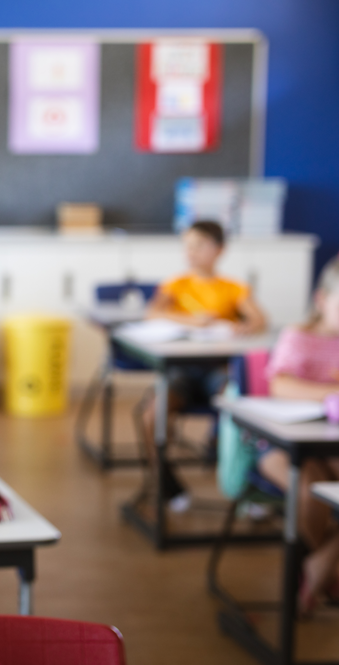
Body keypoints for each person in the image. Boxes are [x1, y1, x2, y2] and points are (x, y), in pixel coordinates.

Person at [143, 220, 268, 511]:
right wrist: (192, 320)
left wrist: (244, 327)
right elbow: (152, 313)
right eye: (187, 246)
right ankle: (168, 486)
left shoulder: (234, 287)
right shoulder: (177, 283)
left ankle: (247, 486)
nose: (192, 252)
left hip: (218, 370)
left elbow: (260, 320)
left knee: (244, 408)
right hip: (180, 371)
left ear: (219, 250)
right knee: (152, 416)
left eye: (199, 245)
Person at [254, 255, 339, 615]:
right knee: (310, 493)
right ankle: (322, 572)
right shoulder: (298, 336)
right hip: (281, 446)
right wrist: (329, 395)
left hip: (331, 446)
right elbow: (280, 385)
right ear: (322, 299)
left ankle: (321, 564)